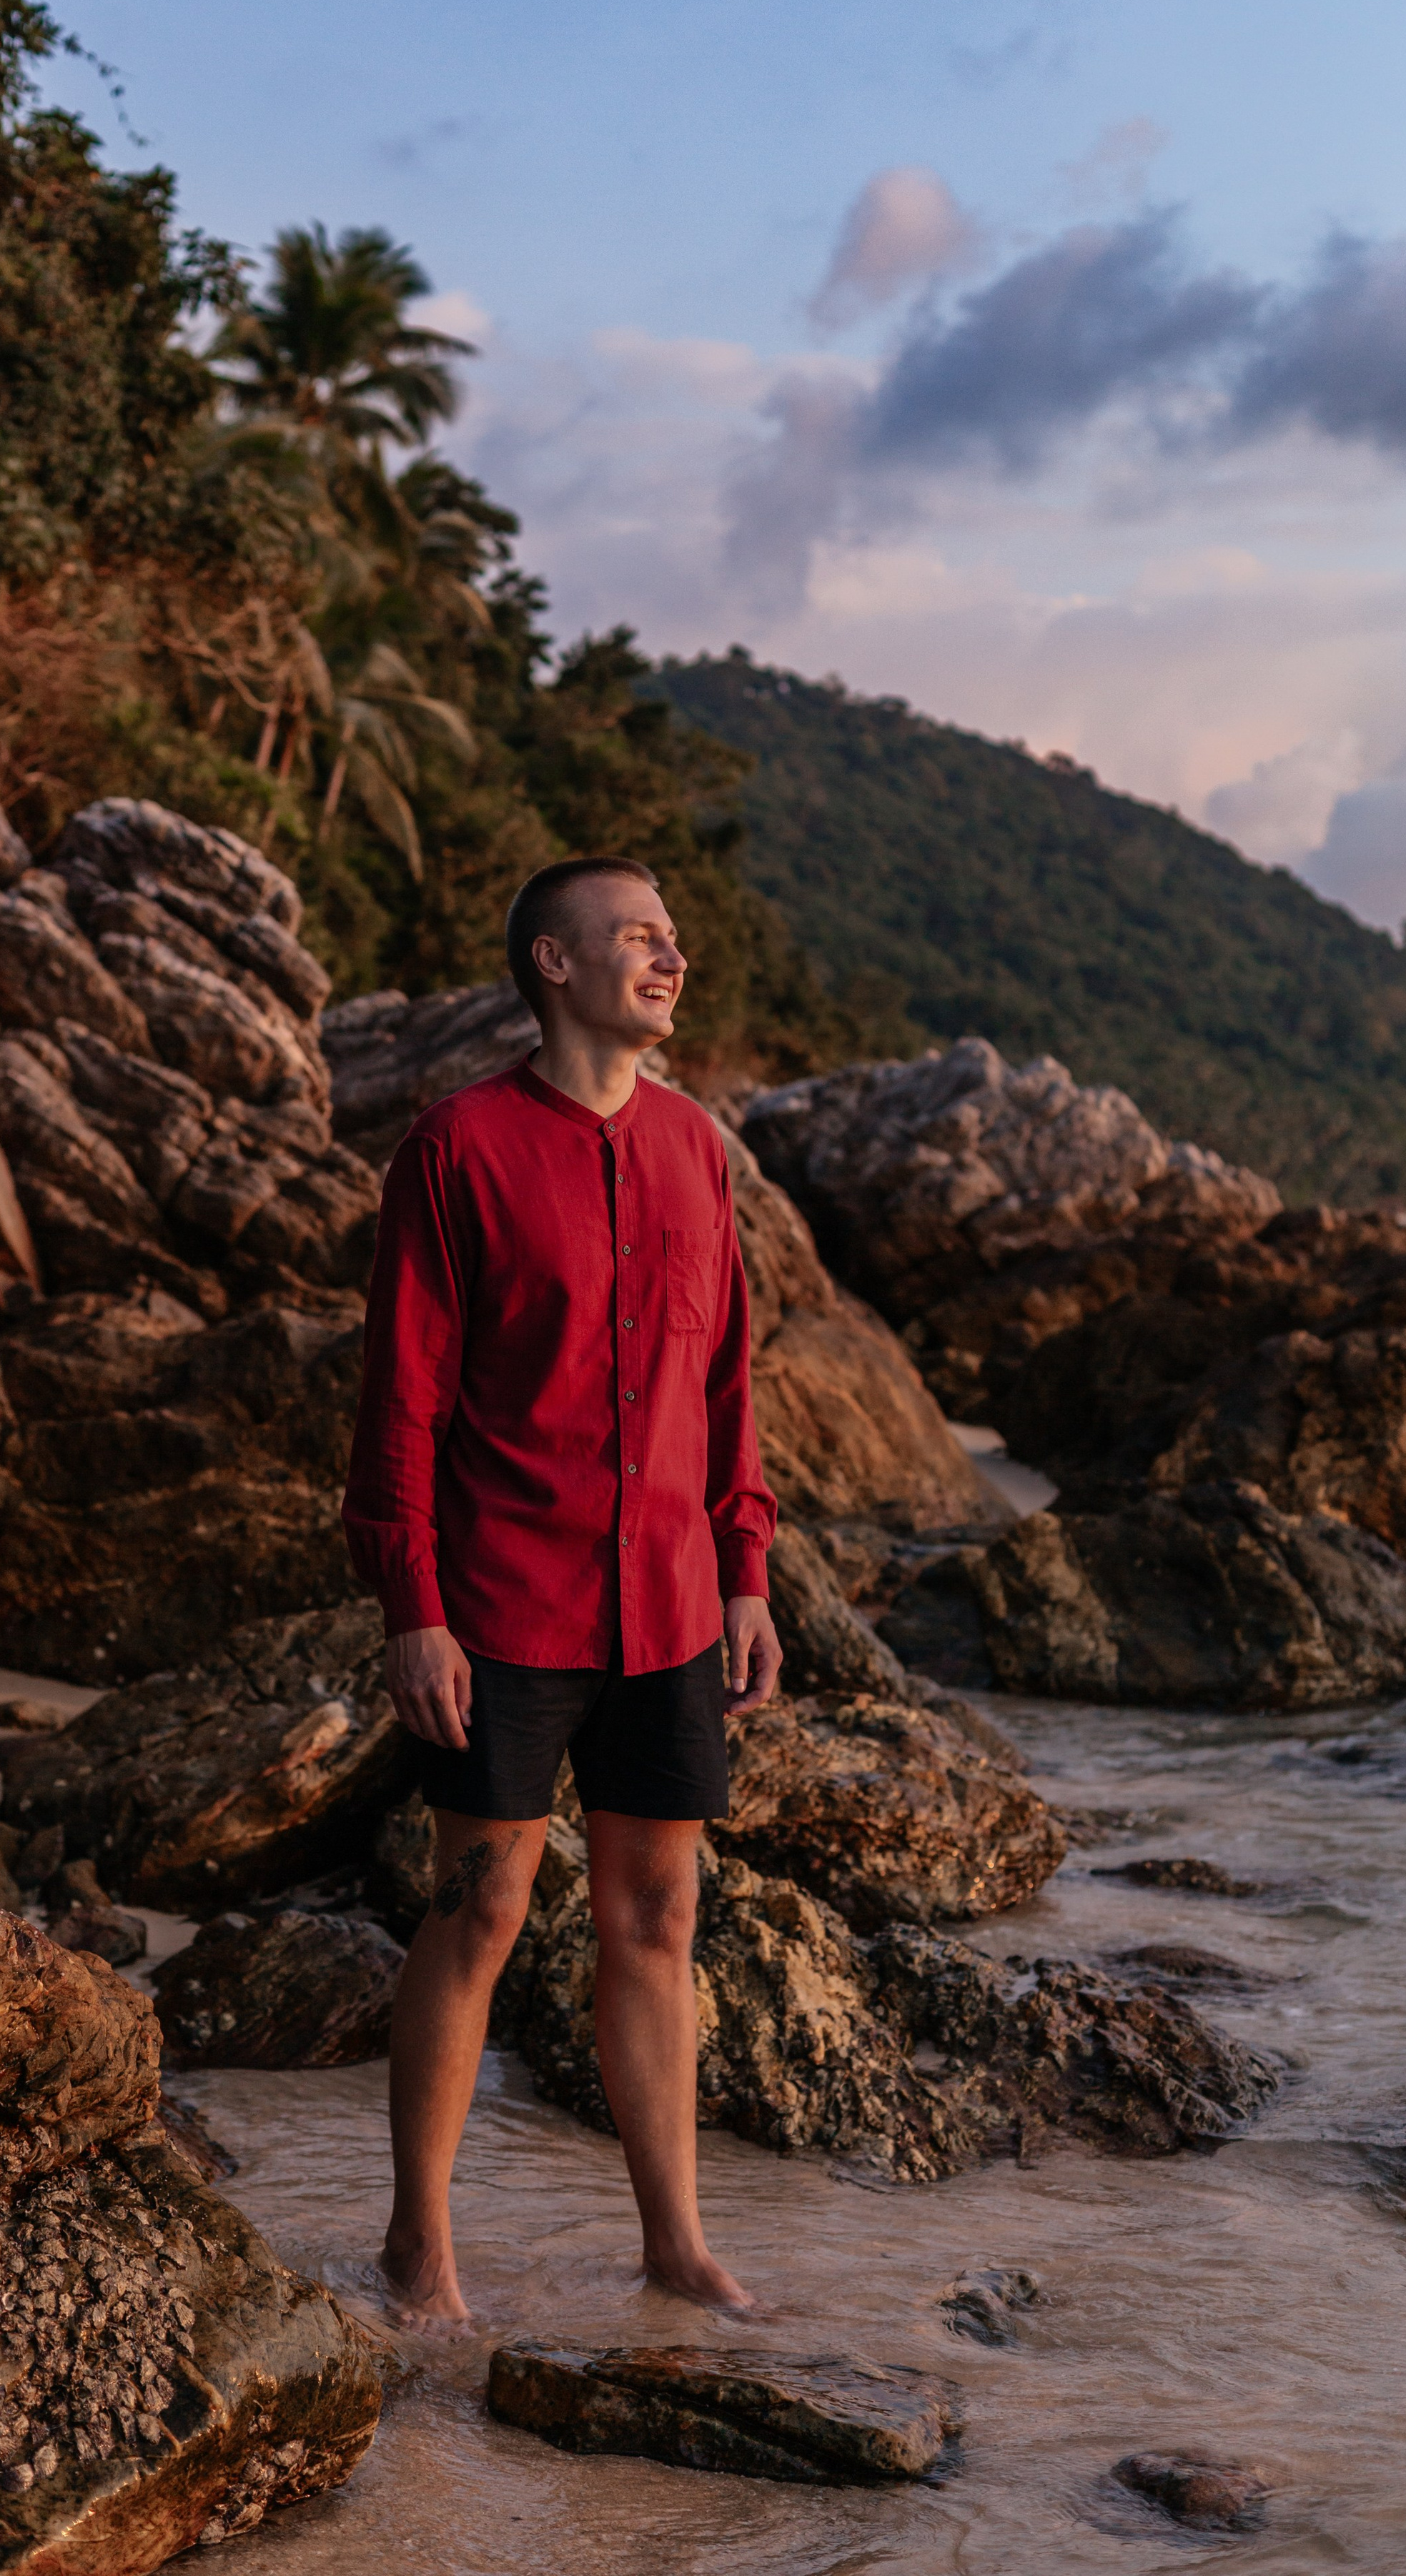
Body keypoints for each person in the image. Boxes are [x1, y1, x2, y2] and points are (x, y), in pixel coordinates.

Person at [342, 854, 782, 2327]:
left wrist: (744, 1574)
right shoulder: (457, 1149)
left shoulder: (693, 1151)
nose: (668, 958)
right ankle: (420, 2245)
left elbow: (727, 1385)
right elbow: (401, 1398)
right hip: (503, 1601)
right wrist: (410, 1602)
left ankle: (672, 2243)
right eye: (637, 938)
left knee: (656, 1918)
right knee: (481, 1905)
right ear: (550, 962)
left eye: (672, 939)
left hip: (664, 1602)